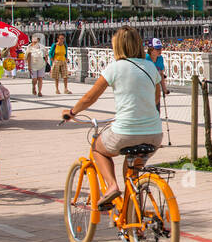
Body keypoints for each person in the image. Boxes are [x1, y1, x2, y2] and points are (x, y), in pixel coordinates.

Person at [61, 27, 162, 209]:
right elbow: (155, 98)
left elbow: (90, 98)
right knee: (132, 176)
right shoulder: (150, 67)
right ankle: (134, 217)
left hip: (126, 132)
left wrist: (72, 112)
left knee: (97, 149)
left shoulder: (115, 67)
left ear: (118, 46)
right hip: (154, 134)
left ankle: (111, 187)